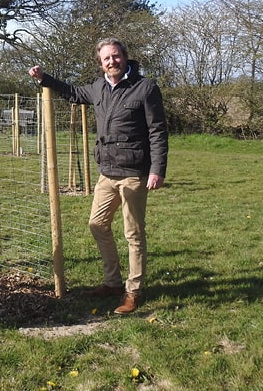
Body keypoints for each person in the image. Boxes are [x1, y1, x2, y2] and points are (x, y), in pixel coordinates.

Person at [29, 38, 168, 314]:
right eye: (106, 58)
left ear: (125, 57)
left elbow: (158, 131)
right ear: (100, 62)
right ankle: (113, 282)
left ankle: (133, 291)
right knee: (97, 224)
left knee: (134, 233)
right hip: (107, 172)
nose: (111, 61)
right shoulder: (98, 87)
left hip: (133, 172)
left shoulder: (145, 88)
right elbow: (72, 92)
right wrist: (45, 78)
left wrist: (157, 170)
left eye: (115, 56)